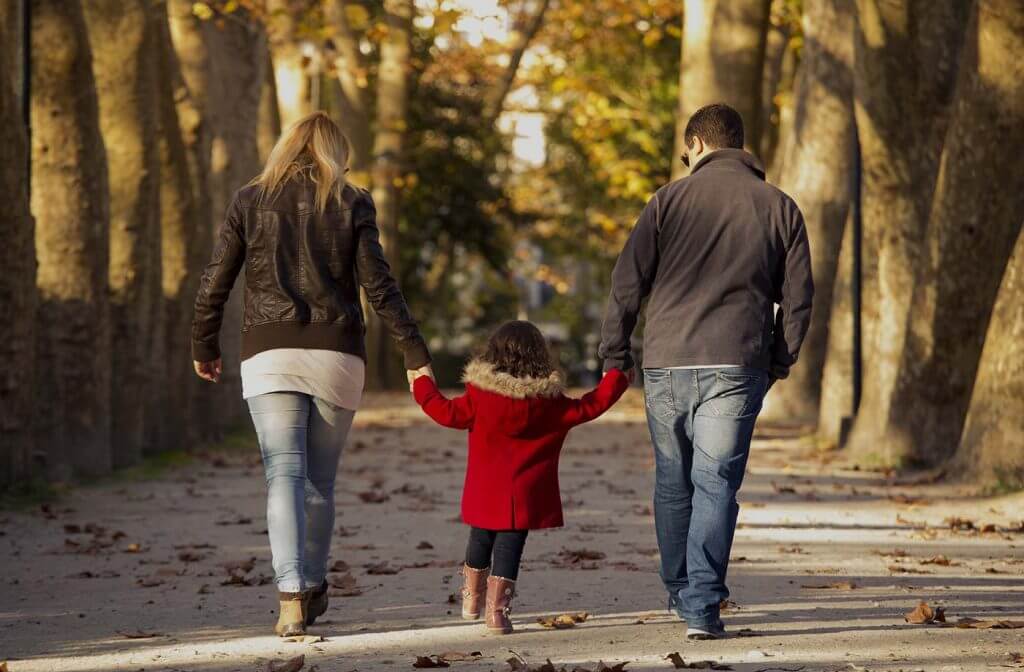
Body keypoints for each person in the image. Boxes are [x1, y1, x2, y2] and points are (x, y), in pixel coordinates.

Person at [191, 111, 432, 637]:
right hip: (336, 354)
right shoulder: (351, 200)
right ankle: (315, 583)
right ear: (336, 152)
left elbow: (216, 279)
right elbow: (379, 284)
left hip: (268, 351)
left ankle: (291, 594)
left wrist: (203, 343)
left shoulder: (249, 199)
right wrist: (414, 352)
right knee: (319, 482)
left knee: (283, 474)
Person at [599, 103, 814, 640]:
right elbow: (800, 298)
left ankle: (678, 590)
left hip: (667, 359)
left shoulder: (664, 203)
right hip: (736, 359)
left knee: (673, 482)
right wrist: (778, 358)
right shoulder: (780, 207)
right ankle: (700, 606)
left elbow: (628, 283)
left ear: (696, 144)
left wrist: (614, 355)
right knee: (716, 484)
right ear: (740, 146)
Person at [410, 321, 631, 634]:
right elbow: (590, 406)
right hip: (525, 496)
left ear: (493, 354)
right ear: (540, 357)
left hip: (484, 492)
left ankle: (472, 600)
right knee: (509, 549)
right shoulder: (550, 403)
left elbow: (444, 412)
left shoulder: (479, 398)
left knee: (480, 540)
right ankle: (497, 614)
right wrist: (617, 379)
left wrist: (421, 385)